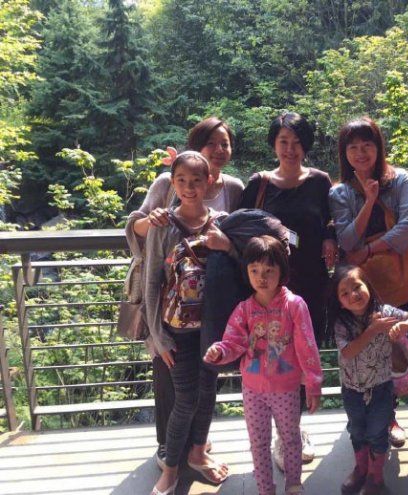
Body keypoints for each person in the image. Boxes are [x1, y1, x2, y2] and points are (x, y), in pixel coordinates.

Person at [125, 117, 244, 468]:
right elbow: (136, 229)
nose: (219, 150)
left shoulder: (233, 188)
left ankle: (196, 448)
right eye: (211, 143)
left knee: (205, 387)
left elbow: (240, 242)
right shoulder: (168, 182)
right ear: (196, 147)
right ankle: (169, 452)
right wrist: (154, 221)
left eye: (225, 143)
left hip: (212, 310)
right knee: (175, 385)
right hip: (170, 310)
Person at [240, 111, 336, 465]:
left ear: (305, 145)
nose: (290, 149)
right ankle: (283, 434)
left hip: (310, 283)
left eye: (297, 142)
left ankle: (292, 428)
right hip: (268, 288)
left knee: (301, 354)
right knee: (273, 356)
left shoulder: (320, 181)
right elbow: (240, 228)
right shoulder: (260, 183)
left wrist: (329, 235)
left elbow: (332, 218)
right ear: (274, 144)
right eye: (283, 141)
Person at [203, 235, 323, 495]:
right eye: (254, 270)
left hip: (286, 388)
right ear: (246, 271)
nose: (262, 277)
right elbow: (234, 341)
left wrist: (313, 384)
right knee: (258, 443)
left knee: (291, 439)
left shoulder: (294, 305)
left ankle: (293, 484)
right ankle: (265, 489)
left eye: (269, 270)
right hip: (252, 389)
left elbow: (307, 346)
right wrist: (219, 351)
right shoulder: (244, 309)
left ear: (282, 271)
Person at [144, 151, 234, 495]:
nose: (188, 187)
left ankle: (197, 453)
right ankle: (170, 468)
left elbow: (245, 266)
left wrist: (227, 245)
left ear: (209, 182)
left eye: (196, 180)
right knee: (185, 399)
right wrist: (158, 338)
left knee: (208, 391)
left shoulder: (222, 221)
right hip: (177, 331)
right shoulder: (162, 225)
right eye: (181, 180)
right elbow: (152, 281)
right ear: (172, 183)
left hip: (214, 329)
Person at [329, 117, 408, 448]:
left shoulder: (399, 180)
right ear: (344, 153)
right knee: (367, 348)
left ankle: (389, 415)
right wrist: (368, 202)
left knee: (396, 346)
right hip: (361, 286)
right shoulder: (339, 192)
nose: (360, 152)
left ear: (378, 147)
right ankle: (365, 420)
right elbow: (346, 239)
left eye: (367, 145)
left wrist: (369, 249)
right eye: (352, 147)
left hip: (396, 277)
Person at [327, 264, 408, 495]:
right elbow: (348, 352)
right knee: (357, 430)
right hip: (352, 390)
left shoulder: (386, 311)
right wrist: (373, 329)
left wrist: (406, 323)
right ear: (340, 302)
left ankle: (375, 476)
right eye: (344, 293)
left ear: (368, 286)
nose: (353, 294)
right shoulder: (342, 323)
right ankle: (361, 469)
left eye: (357, 287)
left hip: (381, 388)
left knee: (377, 432)